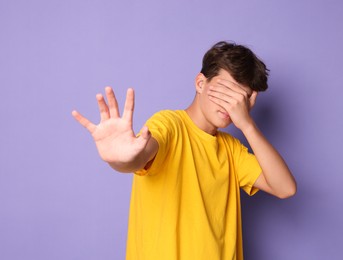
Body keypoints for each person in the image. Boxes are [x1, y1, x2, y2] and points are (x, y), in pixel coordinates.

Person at [72, 41, 297, 260]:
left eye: (242, 98)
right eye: (226, 90)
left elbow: (285, 188)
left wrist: (247, 124)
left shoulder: (232, 149)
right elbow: (139, 157)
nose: (232, 104)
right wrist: (120, 159)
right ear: (201, 83)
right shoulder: (169, 124)